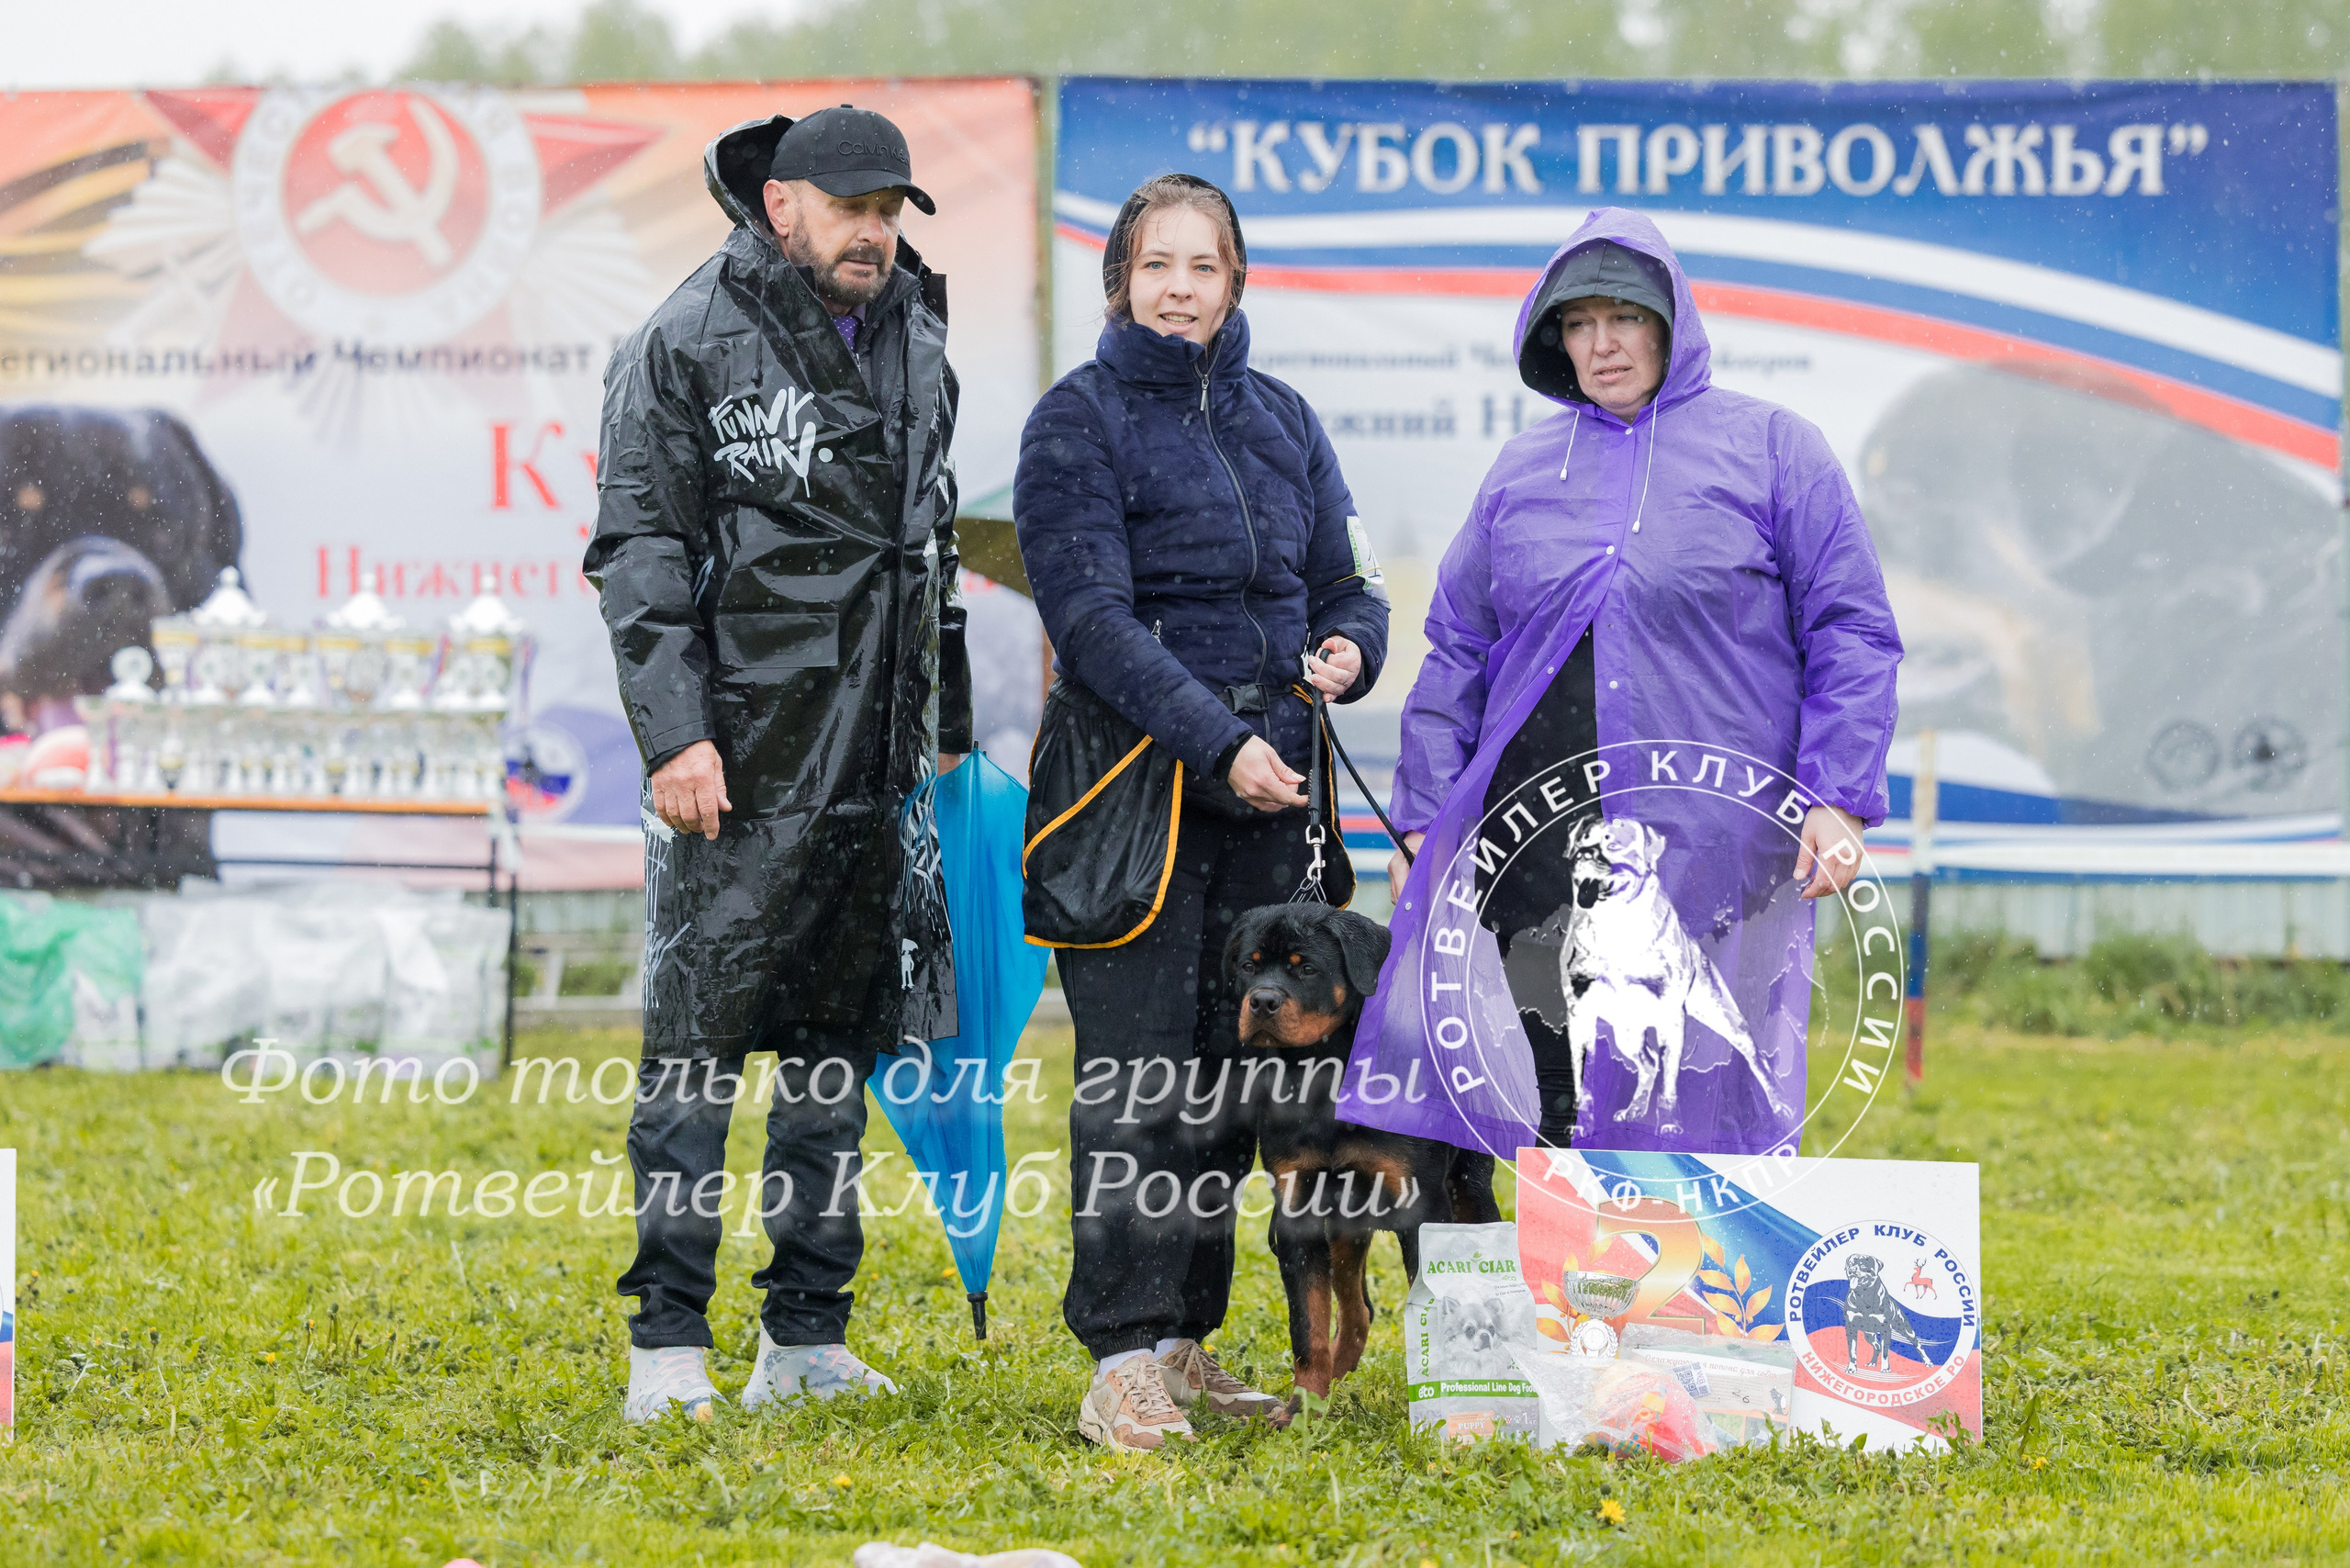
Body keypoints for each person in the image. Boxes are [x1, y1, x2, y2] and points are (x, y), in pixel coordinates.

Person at [584, 105, 968, 1423]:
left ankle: (806, 1334)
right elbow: (638, 553)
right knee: (696, 1053)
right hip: (737, 758)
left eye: (889, 210)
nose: (873, 232)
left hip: (875, 755)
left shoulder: (921, 329)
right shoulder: (684, 338)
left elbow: (926, 545)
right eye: (850, 208)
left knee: (833, 1053)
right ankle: (668, 1346)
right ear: (782, 202)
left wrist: (939, 721)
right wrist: (675, 735)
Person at [1375, 207, 1901, 1153]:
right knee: (1552, 1081)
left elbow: (1850, 630)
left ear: (1671, 322)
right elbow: (1457, 643)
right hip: (1535, 837)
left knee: (1707, 1069)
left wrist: (1839, 798)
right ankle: (1574, 1291)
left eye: (1624, 316)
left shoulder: (1775, 448)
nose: (1601, 343)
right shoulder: (1522, 469)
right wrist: (1422, 818)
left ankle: (1702, 1293)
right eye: (1578, 323)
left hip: (1720, 836)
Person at [1014, 174, 1390, 1450]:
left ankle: (1183, 1341)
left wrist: (1349, 648)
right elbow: (1091, 621)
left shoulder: (1283, 419)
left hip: (1271, 798)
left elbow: (1349, 583)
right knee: (1135, 1084)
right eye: (1157, 264)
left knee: (1239, 1081)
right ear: (1121, 276)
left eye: (1205, 266)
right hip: (1129, 798)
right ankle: (1117, 1355)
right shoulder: (1075, 422)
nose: (1181, 286)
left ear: (1238, 280)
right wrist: (1216, 740)